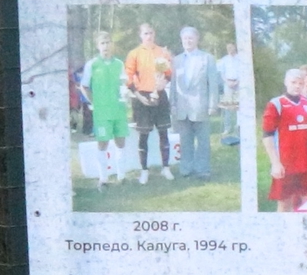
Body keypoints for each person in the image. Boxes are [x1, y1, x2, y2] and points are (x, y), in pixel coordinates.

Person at [261, 66, 307, 209]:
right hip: (286, 162)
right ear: (286, 82)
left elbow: (306, 129)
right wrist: (275, 163)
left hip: (304, 161)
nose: (297, 86)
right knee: (284, 203)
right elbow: (267, 135)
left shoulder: (306, 103)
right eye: (293, 82)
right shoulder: (276, 104)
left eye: (300, 83)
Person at [169, 25, 222, 182]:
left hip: (201, 107)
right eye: (185, 38)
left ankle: (203, 170)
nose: (188, 41)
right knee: (185, 140)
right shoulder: (176, 60)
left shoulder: (207, 59)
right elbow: (173, 85)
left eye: (191, 38)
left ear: (197, 39)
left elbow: (213, 84)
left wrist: (213, 105)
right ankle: (186, 169)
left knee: (203, 141)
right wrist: (173, 104)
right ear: (181, 40)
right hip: (182, 107)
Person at [123, 23, 173, 182]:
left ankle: (166, 167)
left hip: (160, 95)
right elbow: (128, 77)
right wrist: (138, 96)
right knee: (143, 134)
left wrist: (164, 82)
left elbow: (168, 73)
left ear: (154, 33)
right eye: (145, 33)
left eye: (151, 33)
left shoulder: (162, 52)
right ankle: (144, 170)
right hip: (142, 97)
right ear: (140, 35)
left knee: (163, 132)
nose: (149, 36)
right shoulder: (134, 54)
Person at [82, 30, 129, 188]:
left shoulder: (119, 64)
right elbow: (84, 86)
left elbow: (124, 84)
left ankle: (122, 177)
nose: (106, 46)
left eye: (108, 42)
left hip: (119, 110)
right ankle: (103, 179)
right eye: (102, 43)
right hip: (102, 113)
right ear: (98, 46)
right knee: (102, 144)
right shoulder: (92, 65)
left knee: (121, 143)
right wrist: (94, 102)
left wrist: (125, 95)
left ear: (112, 44)